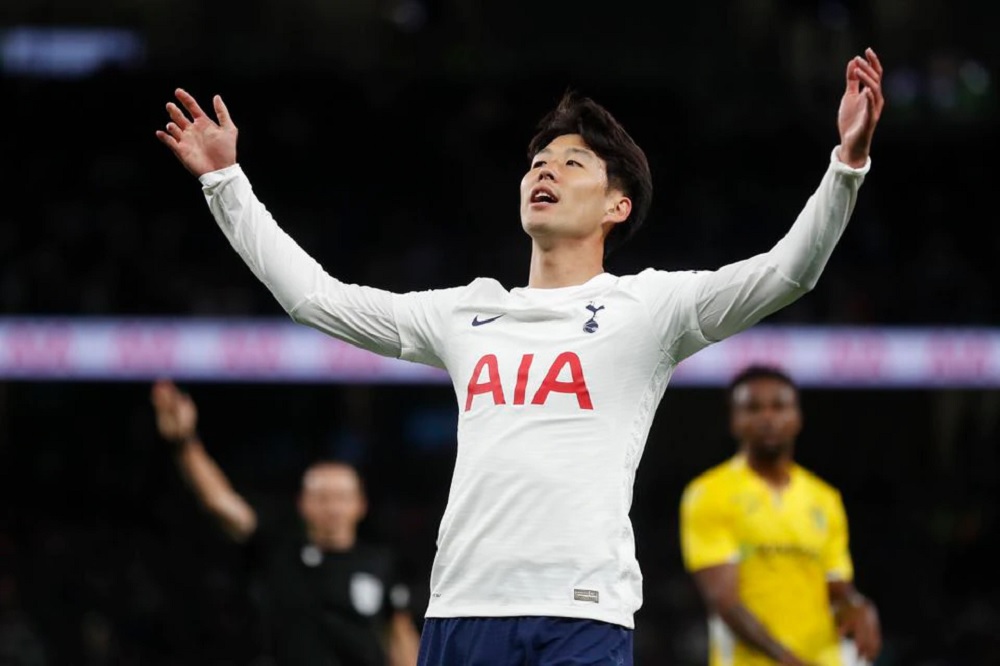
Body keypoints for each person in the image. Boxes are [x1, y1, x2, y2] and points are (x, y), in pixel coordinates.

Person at [154, 48, 885, 665]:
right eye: (539, 160)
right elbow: (317, 300)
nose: (546, 171)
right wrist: (226, 182)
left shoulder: (652, 309)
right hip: (463, 609)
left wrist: (846, 163)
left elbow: (790, 271)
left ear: (616, 207)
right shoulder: (467, 312)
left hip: (583, 612)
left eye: (573, 163)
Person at [150, 380, 421, 666]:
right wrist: (185, 442)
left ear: (360, 505)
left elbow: (400, 637)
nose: (332, 507)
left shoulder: (381, 563)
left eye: (341, 497)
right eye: (321, 497)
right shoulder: (276, 549)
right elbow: (220, 502)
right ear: (302, 504)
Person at [679, 365, 882, 666]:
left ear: (797, 417)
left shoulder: (824, 498)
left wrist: (859, 606)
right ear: (735, 421)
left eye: (779, 406)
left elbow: (835, 583)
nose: (768, 418)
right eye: (753, 408)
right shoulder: (709, 493)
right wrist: (786, 659)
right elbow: (724, 599)